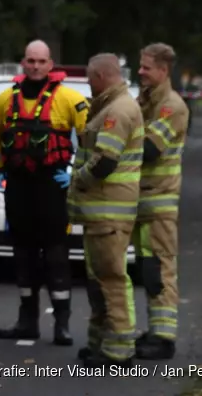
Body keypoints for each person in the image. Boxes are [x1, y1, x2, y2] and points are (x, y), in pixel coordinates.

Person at [0, 40, 87, 346]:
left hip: (51, 187)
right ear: (23, 62)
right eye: (30, 60)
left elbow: (91, 137)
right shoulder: (6, 98)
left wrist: (73, 173)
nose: (35, 66)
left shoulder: (69, 98)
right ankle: (26, 321)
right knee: (24, 255)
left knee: (56, 255)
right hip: (18, 186)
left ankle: (62, 324)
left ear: (50, 63)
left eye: (41, 61)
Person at [68, 53, 144, 369]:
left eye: (89, 77)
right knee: (98, 279)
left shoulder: (117, 111)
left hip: (108, 210)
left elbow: (105, 160)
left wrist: (78, 178)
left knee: (110, 279)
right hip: (101, 211)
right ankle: (102, 343)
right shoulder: (110, 107)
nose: (88, 83)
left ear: (100, 76)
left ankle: (119, 350)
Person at [132, 43, 189, 360]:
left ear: (163, 70)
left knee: (161, 271)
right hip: (143, 201)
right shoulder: (146, 100)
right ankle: (155, 330)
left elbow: (150, 149)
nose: (140, 72)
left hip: (160, 202)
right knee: (148, 270)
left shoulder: (172, 106)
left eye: (146, 67)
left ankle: (164, 337)